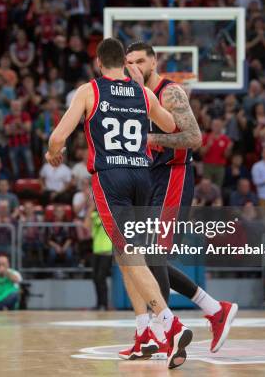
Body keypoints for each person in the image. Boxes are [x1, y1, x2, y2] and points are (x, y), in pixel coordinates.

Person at [46, 37, 191, 369]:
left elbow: (57, 138)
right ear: (124, 64)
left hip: (111, 177)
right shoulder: (142, 92)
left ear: (99, 63)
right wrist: (145, 98)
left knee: (129, 253)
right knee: (124, 254)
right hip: (143, 175)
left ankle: (170, 324)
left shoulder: (90, 91)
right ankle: (143, 333)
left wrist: (54, 154)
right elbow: (172, 126)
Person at [126, 41, 237, 357]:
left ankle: (164, 331)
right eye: (129, 62)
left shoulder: (170, 92)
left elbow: (194, 139)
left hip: (173, 176)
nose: (134, 66)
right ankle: (214, 309)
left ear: (153, 61)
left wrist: (151, 138)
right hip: (150, 179)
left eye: (140, 61)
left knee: (152, 255)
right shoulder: (134, 96)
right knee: (144, 258)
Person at [85, 202, 112, 310]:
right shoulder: (95, 215)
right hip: (96, 250)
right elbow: (86, 226)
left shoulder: (110, 215)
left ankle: (104, 304)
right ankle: (98, 303)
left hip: (107, 251)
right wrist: (91, 207)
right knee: (95, 278)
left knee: (101, 277)